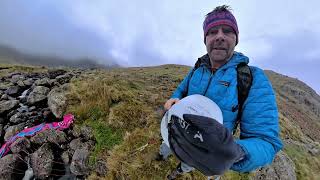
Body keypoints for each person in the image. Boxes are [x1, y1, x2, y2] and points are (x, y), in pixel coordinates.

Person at [158, 5, 283, 179]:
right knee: (168, 145)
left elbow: (266, 142)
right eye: (212, 32)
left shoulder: (252, 78)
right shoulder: (198, 67)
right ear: (205, 39)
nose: (219, 37)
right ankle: (162, 155)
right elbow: (182, 89)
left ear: (236, 39)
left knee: (190, 163)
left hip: (208, 150)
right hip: (176, 130)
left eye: (227, 31)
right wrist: (175, 98)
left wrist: (234, 152)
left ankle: (179, 171)